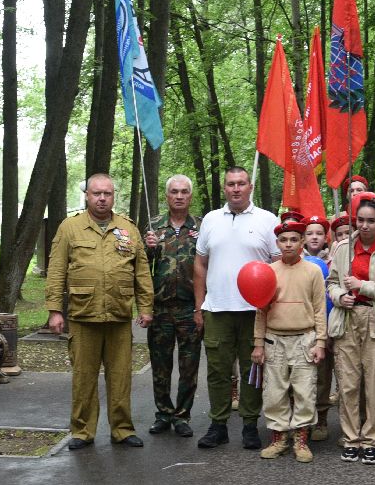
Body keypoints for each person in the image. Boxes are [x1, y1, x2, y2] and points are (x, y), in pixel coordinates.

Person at [45, 174, 154, 450]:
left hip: (118, 315)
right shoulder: (70, 228)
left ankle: (122, 429)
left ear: (113, 196)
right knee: (84, 377)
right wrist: (55, 310)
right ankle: (82, 431)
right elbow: (56, 270)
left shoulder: (128, 229)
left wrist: (146, 307)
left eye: (107, 193)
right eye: (96, 193)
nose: (102, 198)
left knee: (121, 377)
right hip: (83, 316)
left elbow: (141, 271)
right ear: (87, 196)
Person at [193, 166, 280, 450]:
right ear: (224, 187)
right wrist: (199, 305)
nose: (236, 189)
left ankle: (249, 425)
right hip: (217, 308)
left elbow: (279, 264)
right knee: (218, 370)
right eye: (231, 184)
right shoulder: (210, 220)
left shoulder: (267, 220)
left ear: (250, 187)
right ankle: (218, 424)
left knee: (252, 369)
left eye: (241, 183)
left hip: (255, 311)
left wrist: (271, 307)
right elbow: (200, 263)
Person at [328, 193, 375, 464]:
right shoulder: (341, 249)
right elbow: (332, 282)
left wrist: (363, 286)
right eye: (360, 220)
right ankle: (351, 438)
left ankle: (372, 439)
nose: (364, 226)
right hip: (347, 319)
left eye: (371, 221)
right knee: (348, 384)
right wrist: (340, 296)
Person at [251, 220, 328, 462]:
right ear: (277, 243)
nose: (288, 244)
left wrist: (321, 342)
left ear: (302, 242)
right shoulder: (269, 271)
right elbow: (260, 310)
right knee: (274, 392)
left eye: (294, 239)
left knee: (305, 391)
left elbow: (319, 309)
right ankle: (279, 438)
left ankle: (301, 440)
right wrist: (258, 343)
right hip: (275, 339)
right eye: (283, 240)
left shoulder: (313, 271)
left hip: (305, 338)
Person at [143, 174, 203, 437]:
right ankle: (163, 414)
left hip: (191, 307)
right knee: (161, 364)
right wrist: (147, 248)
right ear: (167, 196)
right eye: (174, 192)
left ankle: (182, 416)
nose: (179, 196)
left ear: (190, 196)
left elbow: (210, 262)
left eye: (184, 192)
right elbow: (139, 266)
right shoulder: (154, 225)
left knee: (189, 366)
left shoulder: (202, 226)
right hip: (161, 307)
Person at [302, 216, 336, 440]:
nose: (314, 237)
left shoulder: (334, 261)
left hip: (328, 326)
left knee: (323, 374)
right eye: (310, 233)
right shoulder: (295, 260)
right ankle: (303, 419)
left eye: (319, 233)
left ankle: (321, 418)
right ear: (303, 238)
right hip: (303, 327)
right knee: (303, 374)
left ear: (326, 238)